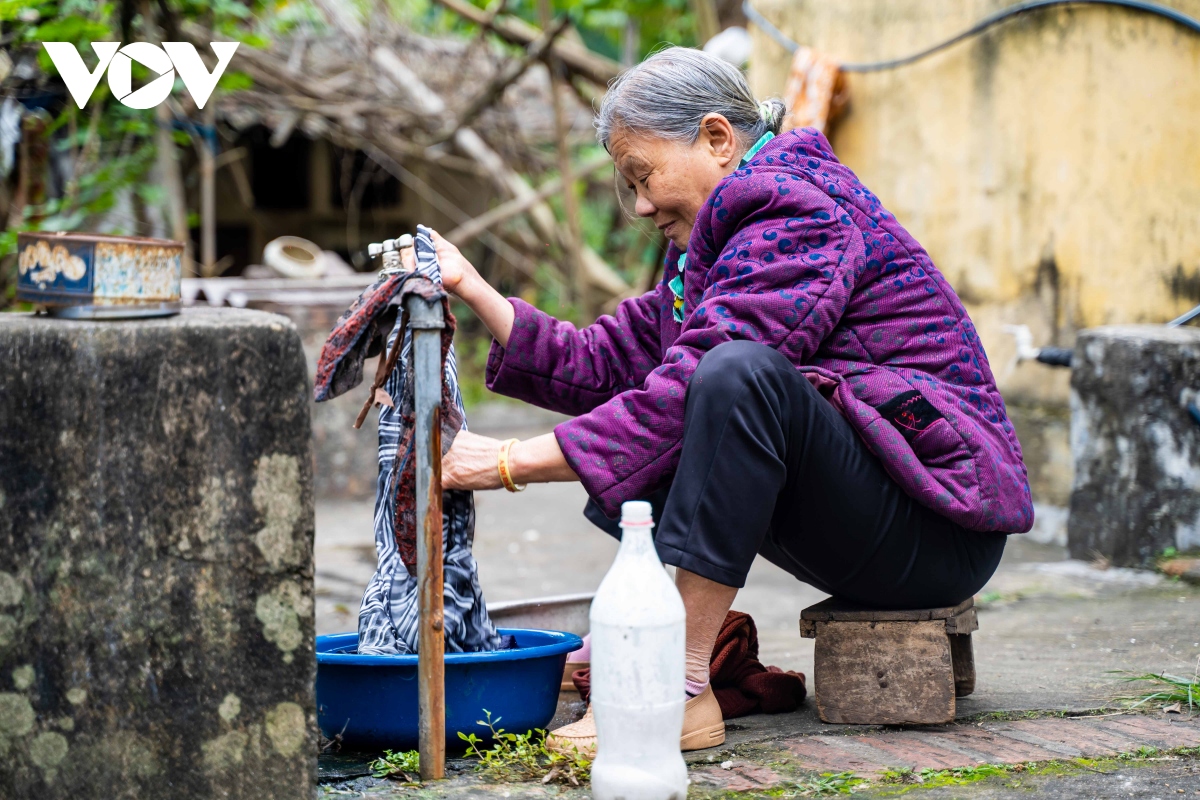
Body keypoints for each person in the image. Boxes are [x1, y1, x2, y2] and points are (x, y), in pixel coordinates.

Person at [406, 46, 1033, 753]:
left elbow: (703, 381)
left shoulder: (796, 211)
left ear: (715, 137)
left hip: (936, 526)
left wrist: (510, 463)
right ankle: (686, 651)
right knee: (700, 394)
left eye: (642, 177)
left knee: (734, 380)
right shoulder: (718, 244)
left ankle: (675, 682)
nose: (640, 205)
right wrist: (471, 286)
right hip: (880, 516)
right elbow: (606, 360)